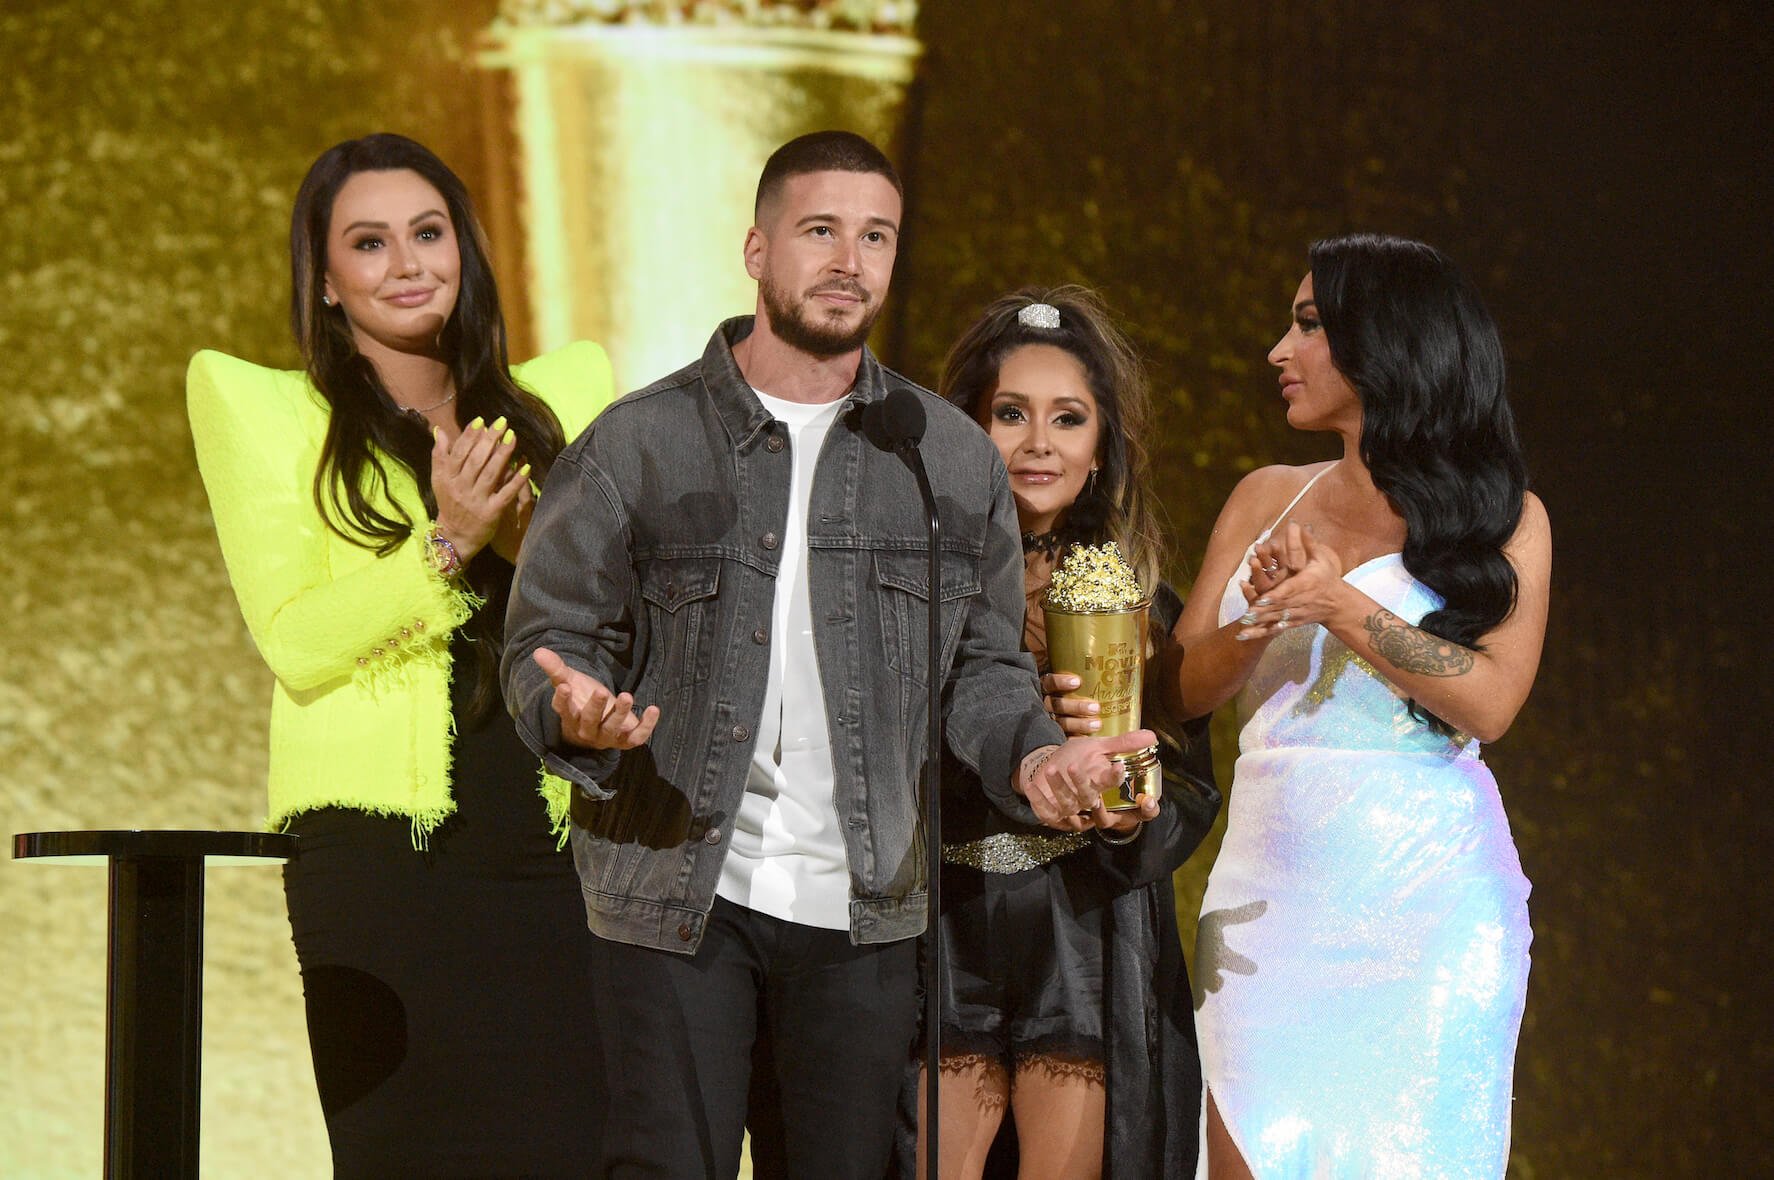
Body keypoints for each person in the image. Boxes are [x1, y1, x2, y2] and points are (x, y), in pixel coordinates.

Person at [499, 131, 1151, 1180]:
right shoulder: (637, 442)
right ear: (756, 249)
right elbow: (546, 636)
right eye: (820, 231)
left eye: (875, 236)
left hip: (862, 911)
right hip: (675, 898)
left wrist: (1036, 761)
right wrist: (570, 709)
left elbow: (980, 671)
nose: (850, 260)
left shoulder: (945, 458)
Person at [186, 133, 616, 1176]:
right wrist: (448, 546)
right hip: (380, 859)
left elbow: (625, 616)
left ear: (465, 249)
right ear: (326, 281)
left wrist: (523, 540)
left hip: (560, 849)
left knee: (585, 1150)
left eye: (427, 233)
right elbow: (296, 640)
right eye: (369, 244)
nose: (407, 262)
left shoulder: (566, 396)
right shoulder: (263, 408)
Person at [1171, 233, 1549, 1178]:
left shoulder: (1505, 517)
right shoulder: (1263, 495)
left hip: (1425, 899)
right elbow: (1180, 690)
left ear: (1386, 344)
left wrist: (1340, 604)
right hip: (1269, 891)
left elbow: (1491, 702)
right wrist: (1264, 614)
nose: (1277, 351)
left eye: (1306, 325)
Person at [905, 286, 1222, 1180]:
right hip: (944, 933)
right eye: (1010, 413)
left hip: (1081, 943)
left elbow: (1183, 789)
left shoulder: (1136, 606)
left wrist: (1127, 805)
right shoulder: (914, 597)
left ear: (1100, 449)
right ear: (964, 429)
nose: (1038, 443)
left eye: (1068, 419)